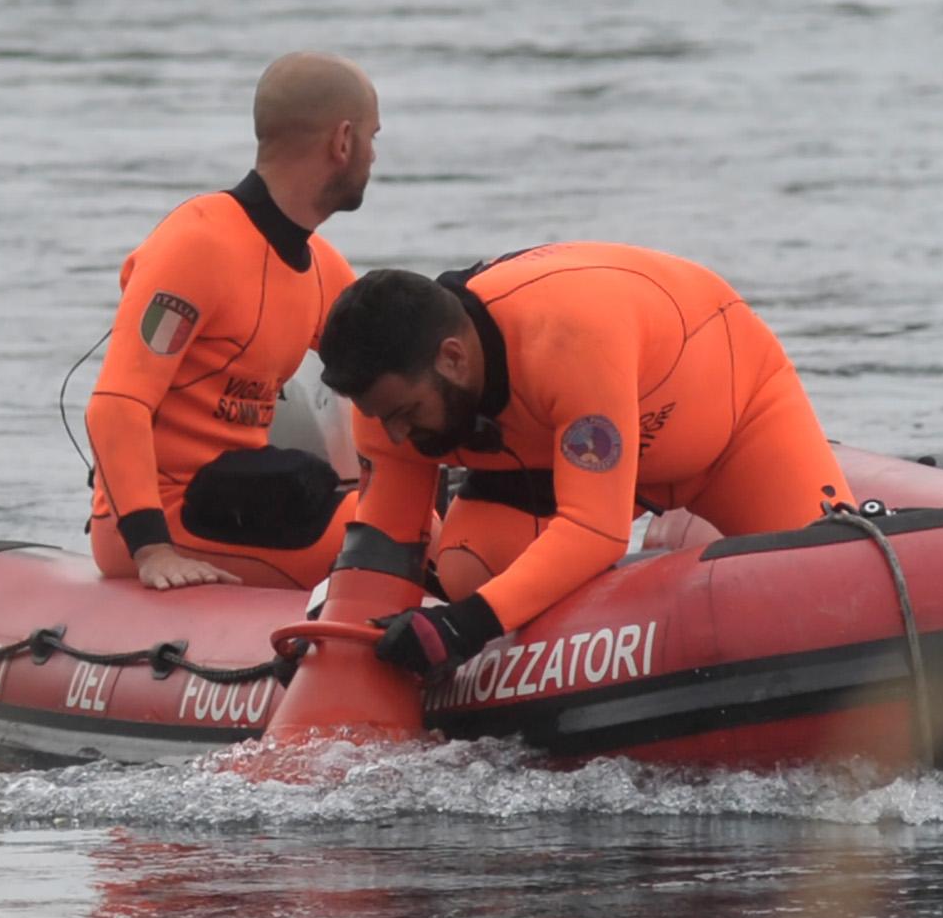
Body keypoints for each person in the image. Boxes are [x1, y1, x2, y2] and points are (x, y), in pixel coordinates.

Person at [315, 243, 855, 674]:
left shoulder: (568, 337)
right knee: (467, 573)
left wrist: (463, 628)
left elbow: (595, 530)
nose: (395, 432)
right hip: (552, 464)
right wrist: (346, 645)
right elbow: (387, 539)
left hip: (730, 420)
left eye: (406, 412)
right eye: (382, 416)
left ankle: (692, 539)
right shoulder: (385, 400)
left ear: (453, 359)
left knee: (839, 587)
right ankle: (678, 560)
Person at [84, 53, 376, 590]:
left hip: (246, 492)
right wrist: (152, 550)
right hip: (166, 518)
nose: (373, 155)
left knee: (413, 516)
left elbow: (388, 374)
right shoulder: (197, 246)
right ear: (343, 141)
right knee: (383, 538)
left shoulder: (321, 267)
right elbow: (115, 406)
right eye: (371, 138)